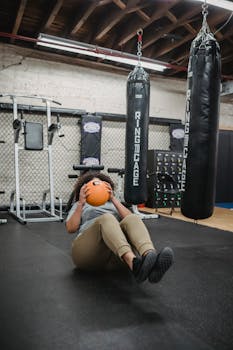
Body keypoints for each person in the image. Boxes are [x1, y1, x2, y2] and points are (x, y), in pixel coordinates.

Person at [66, 172, 174, 284]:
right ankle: (134, 264)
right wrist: (81, 203)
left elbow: (130, 219)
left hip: (116, 257)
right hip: (88, 256)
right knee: (107, 218)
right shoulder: (80, 205)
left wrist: (113, 199)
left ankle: (150, 260)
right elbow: (71, 228)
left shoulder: (113, 204)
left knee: (133, 218)